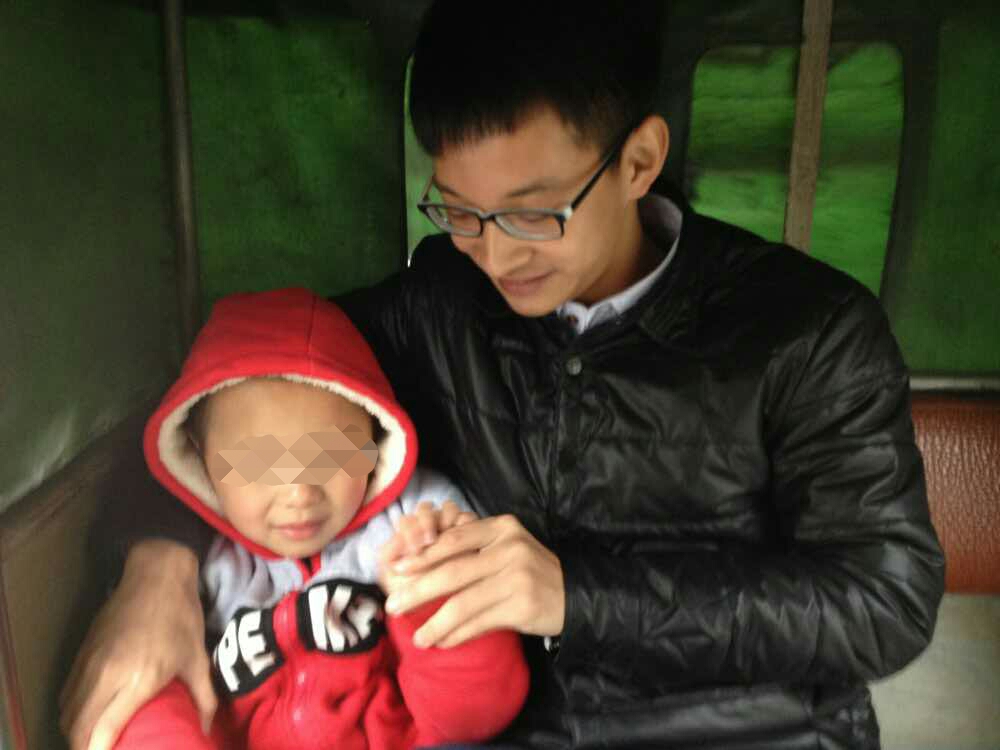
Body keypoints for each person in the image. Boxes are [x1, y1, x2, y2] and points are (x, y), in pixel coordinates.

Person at [61, 2, 946, 748]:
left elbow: (883, 601)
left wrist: (573, 596)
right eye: (459, 212)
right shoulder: (436, 309)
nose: (493, 253)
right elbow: (229, 401)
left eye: (532, 214)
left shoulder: (807, 331)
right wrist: (157, 575)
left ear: (638, 161)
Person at [109, 287, 528, 750]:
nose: (299, 493)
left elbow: (478, 714)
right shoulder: (196, 564)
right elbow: (144, 693)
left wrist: (433, 598)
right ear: (203, 461)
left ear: (375, 439)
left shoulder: (414, 523)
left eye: (332, 455)